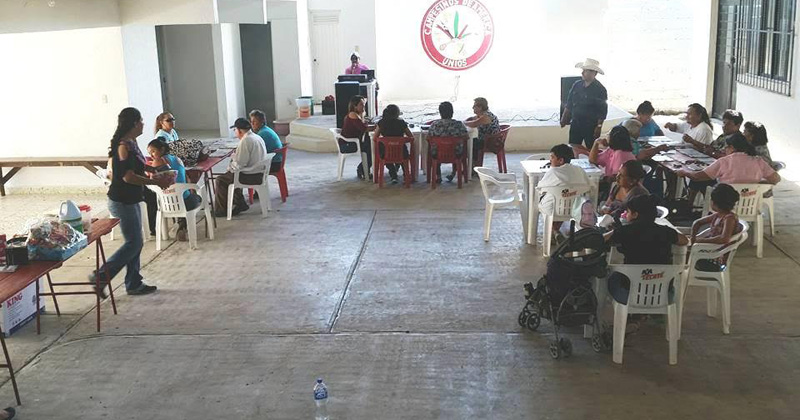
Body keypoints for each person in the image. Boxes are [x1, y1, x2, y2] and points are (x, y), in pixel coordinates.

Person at [93, 107, 171, 296]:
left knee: (135, 242)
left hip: (132, 198)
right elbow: (128, 177)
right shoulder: (123, 147)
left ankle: (133, 282)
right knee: (134, 243)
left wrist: (153, 170)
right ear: (134, 123)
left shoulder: (132, 143)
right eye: (141, 121)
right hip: (122, 200)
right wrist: (156, 182)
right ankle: (102, 275)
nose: (144, 124)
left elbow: (137, 166)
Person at [604, 194, 689, 304]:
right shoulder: (666, 231)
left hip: (631, 296)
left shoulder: (624, 231)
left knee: (612, 277)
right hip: (663, 296)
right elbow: (684, 240)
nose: (626, 215)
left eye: (628, 212)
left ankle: (627, 311)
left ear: (635, 214)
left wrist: (614, 230)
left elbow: (602, 239)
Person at [146, 138, 203, 241]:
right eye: (149, 153)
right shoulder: (177, 159)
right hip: (185, 201)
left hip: (166, 204)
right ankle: (182, 225)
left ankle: (176, 226)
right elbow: (187, 179)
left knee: (152, 198)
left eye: (153, 151)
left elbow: (151, 180)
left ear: (162, 149)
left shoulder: (158, 161)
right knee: (196, 198)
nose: (151, 156)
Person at [214, 118, 269, 217]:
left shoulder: (246, 141)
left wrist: (230, 166)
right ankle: (240, 202)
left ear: (239, 130)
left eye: (235, 130)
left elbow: (240, 164)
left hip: (251, 175)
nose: (235, 132)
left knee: (221, 180)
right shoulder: (256, 136)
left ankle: (221, 210)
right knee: (230, 175)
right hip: (259, 171)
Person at [677, 134, 781, 186]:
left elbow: (698, 177)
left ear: (732, 148)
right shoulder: (758, 161)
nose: (724, 149)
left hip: (726, 206)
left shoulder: (724, 162)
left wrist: (685, 172)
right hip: (751, 205)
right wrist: (757, 184)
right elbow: (776, 179)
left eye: (726, 147)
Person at [691, 183, 742, 272]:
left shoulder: (729, 218)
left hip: (715, 257)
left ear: (715, 203)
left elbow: (724, 239)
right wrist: (693, 237)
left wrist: (700, 240)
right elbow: (697, 223)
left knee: (681, 252)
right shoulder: (718, 215)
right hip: (709, 249)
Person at [561, 58, 608, 150]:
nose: (582, 73)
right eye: (583, 70)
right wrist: (564, 117)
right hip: (576, 122)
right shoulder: (577, 85)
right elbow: (569, 103)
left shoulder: (600, 89)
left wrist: (598, 127)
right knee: (573, 147)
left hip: (590, 125)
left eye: (585, 71)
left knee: (591, 148)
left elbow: (602, 111)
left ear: (594, 73)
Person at [538, 144, 591, 217]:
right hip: (576, 209)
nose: (550, 160)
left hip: (554, 211)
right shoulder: (579, 170)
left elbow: (540, 188)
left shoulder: (552, 172)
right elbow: (588, 185)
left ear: (561, 160)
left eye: (552, 157)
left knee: (545, 197)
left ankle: (553, 224)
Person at [428, 101, 469, 182]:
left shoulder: (434, 124)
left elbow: (428, 138)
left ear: (440, 113)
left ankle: (438, 176)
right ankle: (453, 173)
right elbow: (466, 137)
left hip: (437, 154)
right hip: (456, 153)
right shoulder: (458, 124)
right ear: (452, 112)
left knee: (436, 148)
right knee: (455, 147)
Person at [373, 104, 414, 184]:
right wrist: (402, 140)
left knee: (386, 155)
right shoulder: (401, 122)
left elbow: (375, 138)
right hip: (401, 152)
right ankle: (406, 176)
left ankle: (393, 175)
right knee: (402, 157)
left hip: (386, 153)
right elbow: (411, 137)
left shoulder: (381, 123)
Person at [340, 95, 373, 179]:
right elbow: (364, 128)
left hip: (354, 141)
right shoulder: (353, 114)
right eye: (361, 105)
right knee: (373, 149)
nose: (363, 107)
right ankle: (362, 170)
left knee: (371, 144)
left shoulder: (358, 114)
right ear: (354, 106)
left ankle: (363, 169)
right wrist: (378, 126)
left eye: (364, 105)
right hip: (348, 144)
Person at [464, 97, 500, 167]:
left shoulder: (486, 117)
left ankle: (473, 165)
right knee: (471, 142)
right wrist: (468, 120)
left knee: (469, 143)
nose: (472, 107)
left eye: (474, 106)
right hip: (489, 139)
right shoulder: (483, 115)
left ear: (480, 107)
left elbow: (474, 124)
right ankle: (472, 165)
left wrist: (463, 122)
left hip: (491, 142)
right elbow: (473, 119)